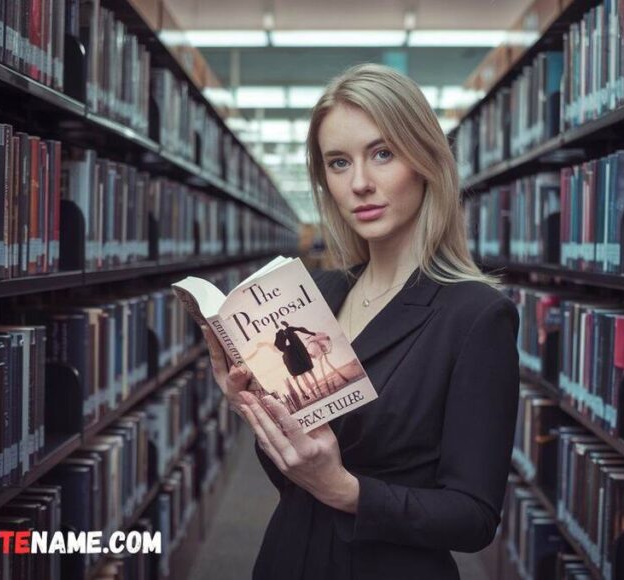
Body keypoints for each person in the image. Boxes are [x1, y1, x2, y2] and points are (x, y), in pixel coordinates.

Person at [200, 63, 520, 580]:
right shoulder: (317, 294)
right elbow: (294, 475)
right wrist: (259, 414)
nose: (361, 184)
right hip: (286, 558)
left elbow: (473, 517)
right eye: (338, 163)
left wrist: (346, 491)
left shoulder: (476, 317)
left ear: (426, 161)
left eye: (382, 153)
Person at [273, 320, 321, 400]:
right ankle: (311, 393)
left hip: (298, 354)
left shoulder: (288, 330)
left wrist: (311, 333)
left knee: (307, 373)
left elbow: (300, 329)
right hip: (293, 356)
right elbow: (278, 345)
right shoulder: (280, 334)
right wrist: (311, 333)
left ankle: (315, 392)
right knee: (303, 375)